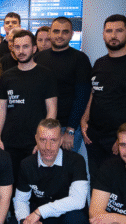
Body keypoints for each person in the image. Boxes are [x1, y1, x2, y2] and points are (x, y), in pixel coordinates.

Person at [9, 118, 90, 224]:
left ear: (61, 140)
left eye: (53, 140)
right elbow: (21, 199)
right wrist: (24, 220)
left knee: (77, 220)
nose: (47, 147)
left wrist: (39, 211)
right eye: (43, 140)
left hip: (66, 217)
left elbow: (78, 200)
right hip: (41, 218)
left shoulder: (76, 161)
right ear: (36, 139)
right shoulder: (26, 164)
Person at [80, 14, 126, 180]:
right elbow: (95, 92)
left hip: (121, 139)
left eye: (119, 31)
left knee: (122, 184)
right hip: (95, 137)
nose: (113, 35)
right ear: (103, 35)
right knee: (97, 181)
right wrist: (84, 119)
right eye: (109, 31)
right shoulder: (99, 63)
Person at [0, 29, 58, 175]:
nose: (21, 51)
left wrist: (43, 140)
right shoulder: (6, 76)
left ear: (34, 49)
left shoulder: (46, 75)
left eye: (25, 46)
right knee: (11, 180)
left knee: (35, 181)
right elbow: (1, 108)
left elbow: (52, 110)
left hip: (35, 141)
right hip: (10, 141)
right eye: (17, 47)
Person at [33, 16, 91, 153]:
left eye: (65, 32)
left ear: (72, 34)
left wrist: (70, 130)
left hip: (67, 128)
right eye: (56, 31)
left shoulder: (80, 59)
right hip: (41, 125)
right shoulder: (39, 58)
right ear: (50, 33)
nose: (60, 35)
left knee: (66, 165)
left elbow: (82, 97)